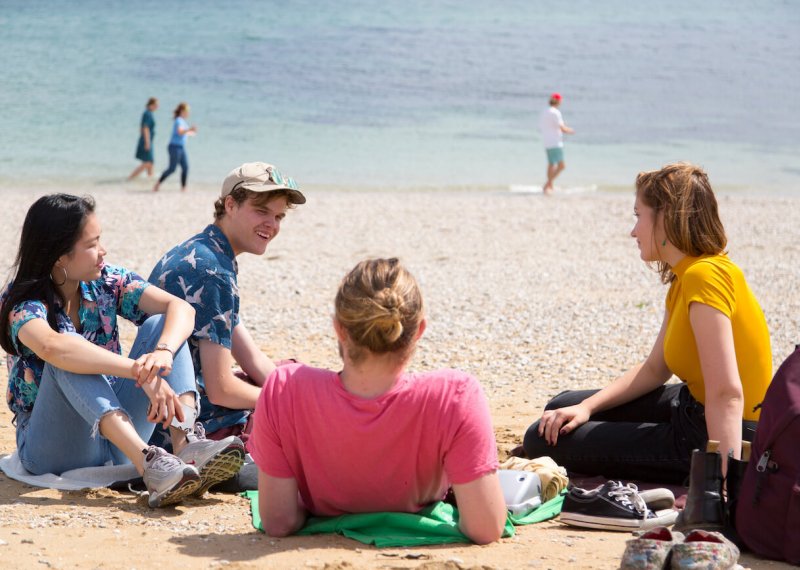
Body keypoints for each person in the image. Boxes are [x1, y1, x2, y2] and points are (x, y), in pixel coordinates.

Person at [522, 163, 772, 483]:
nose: (633, 230)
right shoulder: (685, 277)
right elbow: (656, 369)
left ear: (666, 217)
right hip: (692, 404)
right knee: (561, 406)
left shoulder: (704, 276)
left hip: (720, 432)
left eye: (638, 216)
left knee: (540, 439)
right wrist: (586, 407)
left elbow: (727, 392)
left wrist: (722, 484)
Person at [0, 194, 244, 508]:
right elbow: (53, 347)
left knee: (160, 324)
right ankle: (149, 465)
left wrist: (163, 353)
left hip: (116, 436)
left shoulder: (106, 281)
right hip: (53, 446)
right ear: (59, 256)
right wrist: (139, 372)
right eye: (91, 244)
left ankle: (185, 444)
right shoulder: (22, 304)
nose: (103, 251)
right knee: (67, 354)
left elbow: (180, 307)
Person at [250, 258, 507, 543]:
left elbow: (279, 521)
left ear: (339, 328)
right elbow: (485, 527)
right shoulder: (455, 395)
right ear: (419, 330)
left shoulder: (284, 389)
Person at [148, 162, 305, 451]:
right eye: (262, 211)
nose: (272, 225)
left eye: (279, 216)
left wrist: (290, 391)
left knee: (293, 377)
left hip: (165, 403)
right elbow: (221, 390)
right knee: (293, 417)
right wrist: (288, 401)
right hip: (186, 420)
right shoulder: (213, 273)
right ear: (230, 205)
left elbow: (251, 357)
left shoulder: (203, 248)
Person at [153, 102, 196, 193]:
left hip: (181, 147)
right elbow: (180, 132)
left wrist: (191, 132)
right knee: (172, 168)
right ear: (182, 111)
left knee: (185, 167)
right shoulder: (178, 120)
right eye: (187, 111)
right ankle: (157, 184)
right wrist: (189, 130)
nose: (188, 113)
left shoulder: (183, 121)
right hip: (174, 147)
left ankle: (183, 188)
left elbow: (184, 133)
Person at [539, 92, 574, 195]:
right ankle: (548, 184)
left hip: (547, 141)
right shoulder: (555, 112)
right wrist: (571, 131)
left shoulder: (544, 111)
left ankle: (550, 185)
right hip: (555, 142)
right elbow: (562, 128)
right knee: (562, 166)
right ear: (558, 101)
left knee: (551, 164)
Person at [128, 97, 158, 180]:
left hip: (148, 140)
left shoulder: (148, 113)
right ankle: (130, 178)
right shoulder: (147, 114)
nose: (157, 107)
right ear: (151, 105)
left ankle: (150, 178)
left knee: (150, 162)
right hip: (146, 141)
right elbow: (145, 128)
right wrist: (147, 142)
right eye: (156, 105)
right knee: (147, 162)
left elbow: (141, 128)